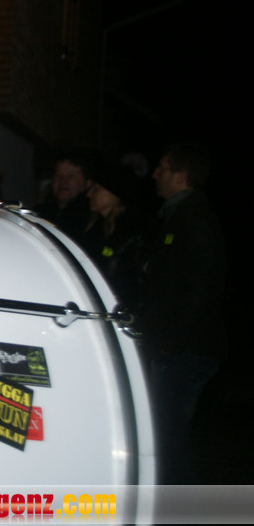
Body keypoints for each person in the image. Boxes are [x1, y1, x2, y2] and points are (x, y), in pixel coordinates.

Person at [142, 140, 226, 484]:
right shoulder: (179, 218)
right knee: (166, 437)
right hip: (178, 350)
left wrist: (170, 344)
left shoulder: (194, 221)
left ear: (181, 175)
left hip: (184, 353)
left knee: (170, 440)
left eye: (162, 168)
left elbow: (198, 291)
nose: (155, 175)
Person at [80, 159, 145, 309]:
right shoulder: (92, 229)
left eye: (96, 189)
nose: (89, 194)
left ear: (114, 194)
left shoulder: (132, 234)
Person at [34, 149, 94, 245]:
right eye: (58, 175)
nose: (63, 181)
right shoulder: (38, 214)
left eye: (71, 176)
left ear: (87, 183)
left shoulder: (92, 221)